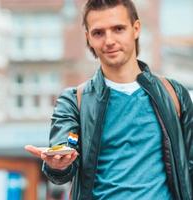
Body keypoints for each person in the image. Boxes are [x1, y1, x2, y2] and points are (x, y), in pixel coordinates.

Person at [25, 0, 193, 199]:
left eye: (118, 29)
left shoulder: (174, 93)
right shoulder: (74, 101)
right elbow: (62, 155)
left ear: (136, 29)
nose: (109, 40)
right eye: (98, 33)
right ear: (88, 37)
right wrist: (58, 165)